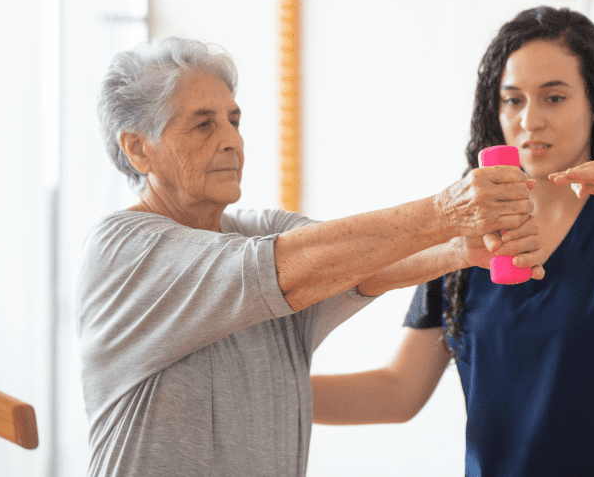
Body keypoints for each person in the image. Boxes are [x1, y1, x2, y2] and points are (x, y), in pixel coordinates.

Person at [75, 36, 540, 477]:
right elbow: (282, 271)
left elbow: (357, 265)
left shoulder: (262, 231)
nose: (232, 141)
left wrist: (460, 248)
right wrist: (445, 213)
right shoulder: (122, 250)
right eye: (203, 124)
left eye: (233, 121)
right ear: (138, 148)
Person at [311, 6, 594, 477]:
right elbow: (397, 391)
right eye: (513, 100)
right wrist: (265, 388)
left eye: (554, 98)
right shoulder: (467, 242)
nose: (529, 120)